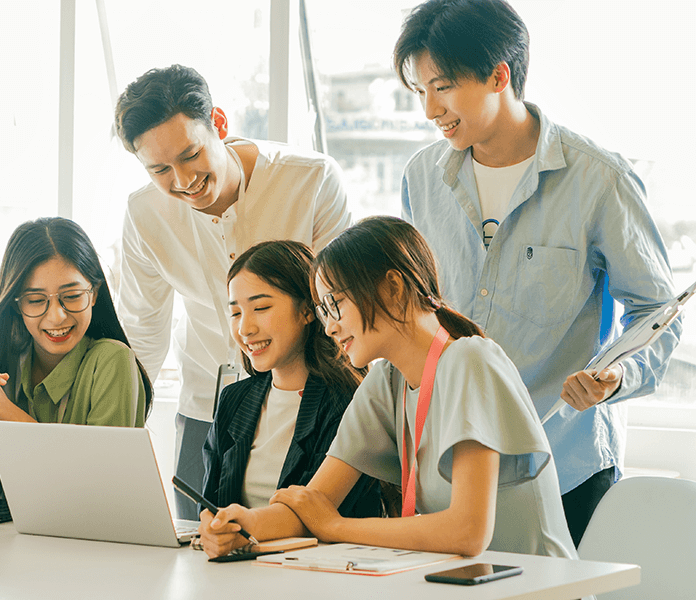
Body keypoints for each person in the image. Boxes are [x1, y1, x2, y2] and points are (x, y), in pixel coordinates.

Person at [394, 0, 680, 546]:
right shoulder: (421, 178)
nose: (430, 109)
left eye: (444, 86)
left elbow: (659, 315)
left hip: (565, 466)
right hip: (451, 461)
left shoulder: (600, 181)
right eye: (420, 91)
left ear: (499, 75)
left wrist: (614, 375)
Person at [199, 216, 577, 561]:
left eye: (335, 304)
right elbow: (313, 503)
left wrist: (335, 527)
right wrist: (240, 524)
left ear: (392, 287)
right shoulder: (386, 381)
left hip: (535, 587)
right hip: (462, 586)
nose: (329, 327)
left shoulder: (469, 360)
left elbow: (467, 533)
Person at [114, 64, 352, 519]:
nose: (183, 181)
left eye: (190, 155)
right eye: (160, 169)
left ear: (219, 123)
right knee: (202, 558)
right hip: (206, 408)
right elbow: (142, 333)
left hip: (311, 410)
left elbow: (342, 309)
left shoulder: (312, 180)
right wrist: (116, 441)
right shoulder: (144, 214)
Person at [202, 240, 380, 518]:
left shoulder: (346, 400)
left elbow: (323, 516)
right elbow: (209, 505)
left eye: (260, 308)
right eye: (235, 313)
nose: (244, 329)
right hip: (237, 559)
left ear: (308, 311)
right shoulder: (234, 399)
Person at [0, 217, 152, 428]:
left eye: (72, 295)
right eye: (36, 300)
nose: (57, 316)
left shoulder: (112, 360)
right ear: (17, 305)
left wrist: (4, 411)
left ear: (94, 294)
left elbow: (99, 462)